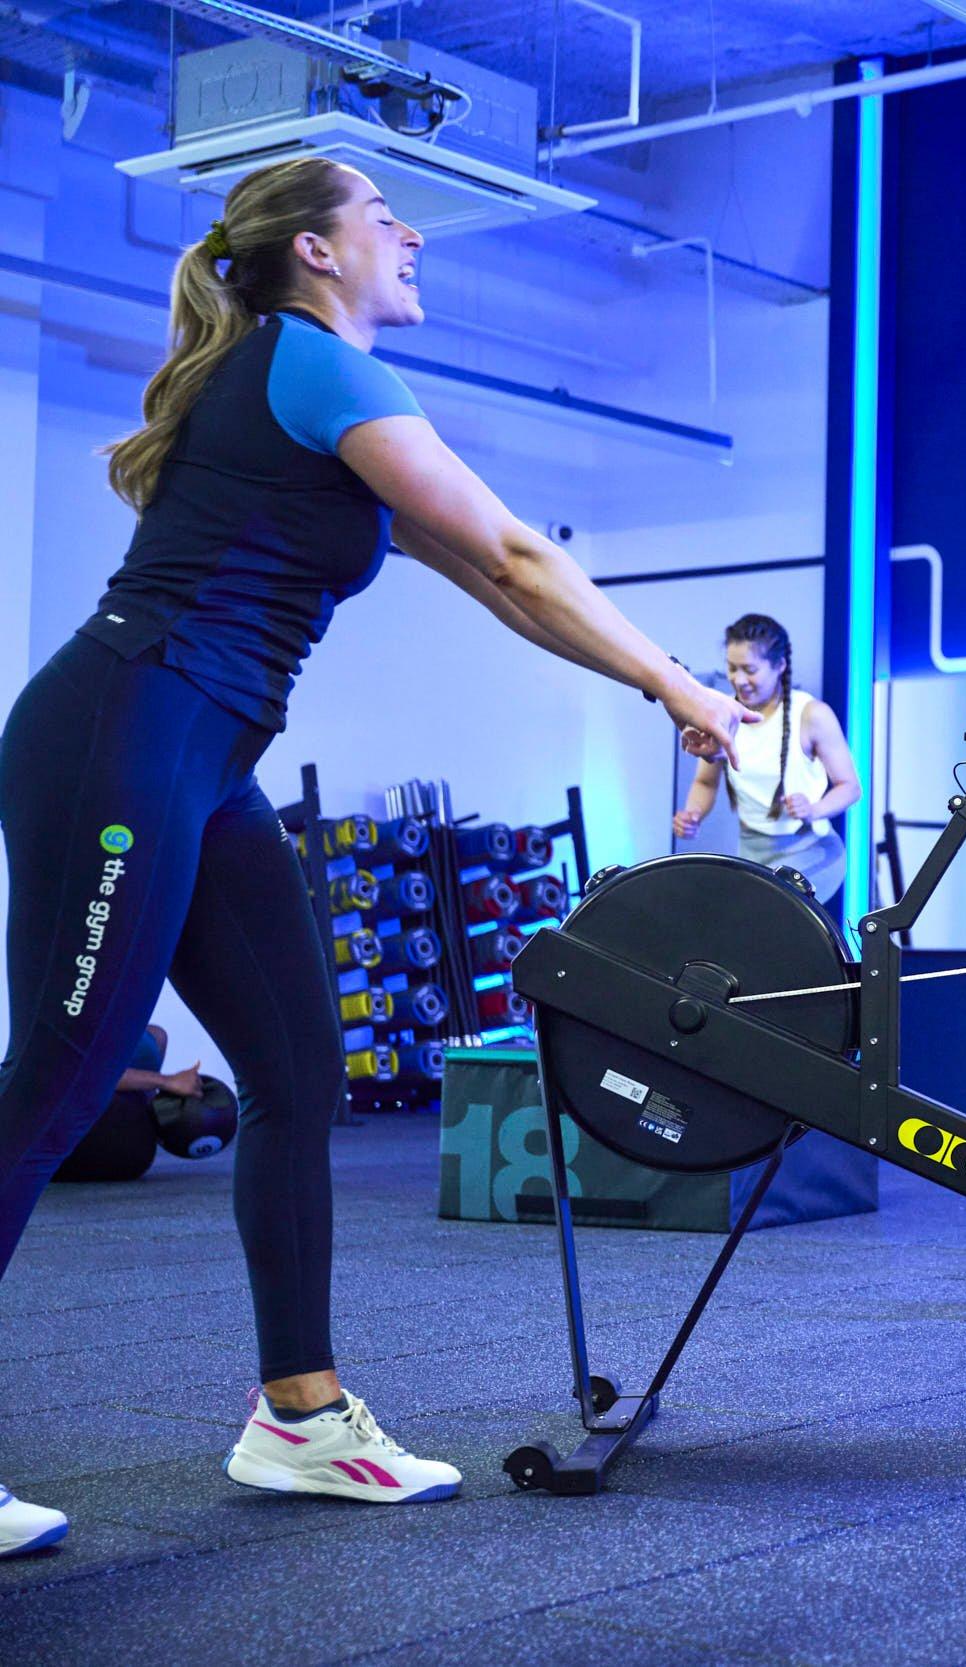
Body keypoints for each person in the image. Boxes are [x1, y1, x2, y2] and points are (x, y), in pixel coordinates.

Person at [0, 158, 748, 1559]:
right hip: (120, 731)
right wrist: (687, 692)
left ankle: (299, 1412)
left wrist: (661, 684)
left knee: (296, 1075)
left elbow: (493, 577)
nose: (409, 232)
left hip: (200, 757)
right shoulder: (308, 361)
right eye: (383, 213)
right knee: (58, 1078)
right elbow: (521, 552)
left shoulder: (315, 391)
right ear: (319, 255)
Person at [672, 613, 859, 912]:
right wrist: (692, 814)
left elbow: (850, 787)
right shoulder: (721, 714)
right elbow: (705, 782)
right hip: (752, 850)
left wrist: (814, 809)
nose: (739, 679)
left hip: (811, 850)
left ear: (779, 666)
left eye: (750, 669)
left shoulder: (812, 715)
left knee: (769, 917)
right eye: (732, 668)